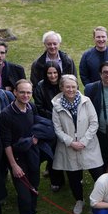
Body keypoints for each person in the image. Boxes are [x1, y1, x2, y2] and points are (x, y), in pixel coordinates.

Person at [0, 80, 50, 214]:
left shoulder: (31, 107)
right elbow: (5, 143)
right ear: (14, 92)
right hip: (18, 160)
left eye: (28, 92)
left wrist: (36, 138)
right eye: (22, 92)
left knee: (34, 189)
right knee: (24, 196)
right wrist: (13, 165)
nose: (26, 95)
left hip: (32, 156)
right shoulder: (6, 115)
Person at [51, 74, 105, 214]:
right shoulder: (56, 106)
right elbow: (57, 129)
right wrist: (70, 142)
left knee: (98, 174)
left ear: (77, 87)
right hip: (69, 147)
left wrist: (84, 141)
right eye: (67, 87)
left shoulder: (86, 101)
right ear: (61, 87)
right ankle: (79, 200)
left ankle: (102, 199)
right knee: (74, 176)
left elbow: (94, 123)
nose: (70, 89)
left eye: (73, 86)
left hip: (89, 144)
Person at [33, 62, 64, 192]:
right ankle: (56, 180)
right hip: (49, 123)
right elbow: (39, 107)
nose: (52, 76)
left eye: (55, 72)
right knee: (54, 152)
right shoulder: (40, 87)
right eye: (49, 73)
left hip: (65, 121)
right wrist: (56, 116)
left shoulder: (63, 83)